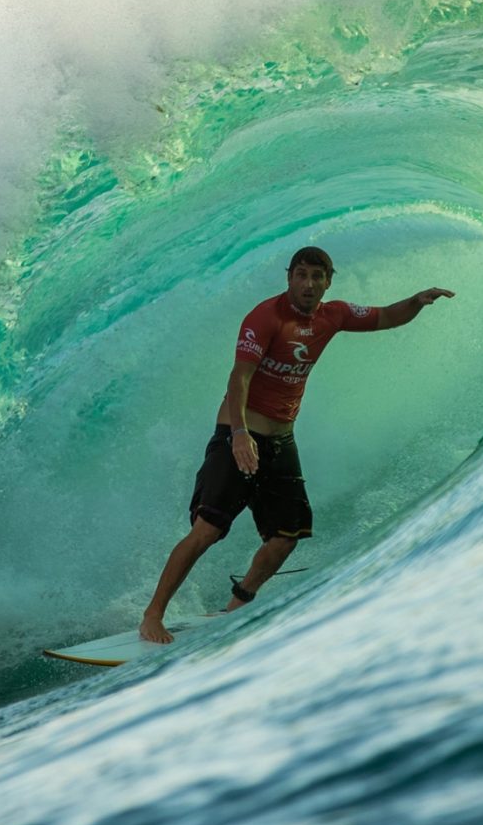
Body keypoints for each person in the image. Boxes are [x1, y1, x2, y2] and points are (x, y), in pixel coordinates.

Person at [139, 246, 453, 643]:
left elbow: (386, 316)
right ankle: (152, 615)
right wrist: (239, 435)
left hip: (281, 438)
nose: (308, 284)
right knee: (208, 530)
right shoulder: (265, 318)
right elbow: (240, 378)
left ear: (328, 281)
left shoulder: (332, 315)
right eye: (301, 275)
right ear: (289, 277)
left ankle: (236, 608)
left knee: (286, 536)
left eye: (316, 277)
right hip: (239, 432)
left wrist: (417, 301)